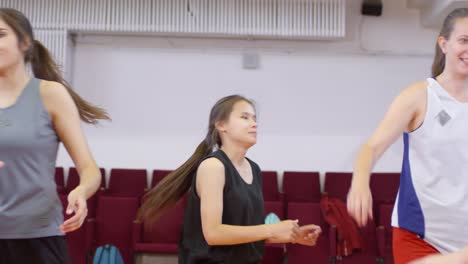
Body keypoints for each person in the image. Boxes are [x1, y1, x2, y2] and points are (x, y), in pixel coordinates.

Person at [346, 7, 468, 264]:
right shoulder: (419, 96)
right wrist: (360, 180)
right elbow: (372, 146)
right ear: (444, 44)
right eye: (464, 40)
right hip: (420, 236)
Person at [138, 95, 321, 264]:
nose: (254, 124)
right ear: (221, 125)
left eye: (254, 118)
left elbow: (245, 230)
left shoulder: (254, 169)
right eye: (245, 117)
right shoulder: (213, 167)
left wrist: (292, 235)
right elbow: (214, 233)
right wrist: (271, 230)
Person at [0, 8, 109, 263]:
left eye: (1, 34)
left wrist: (82, 191)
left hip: (37, 235)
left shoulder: (51, 94)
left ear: (24, 43)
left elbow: (90, 169)